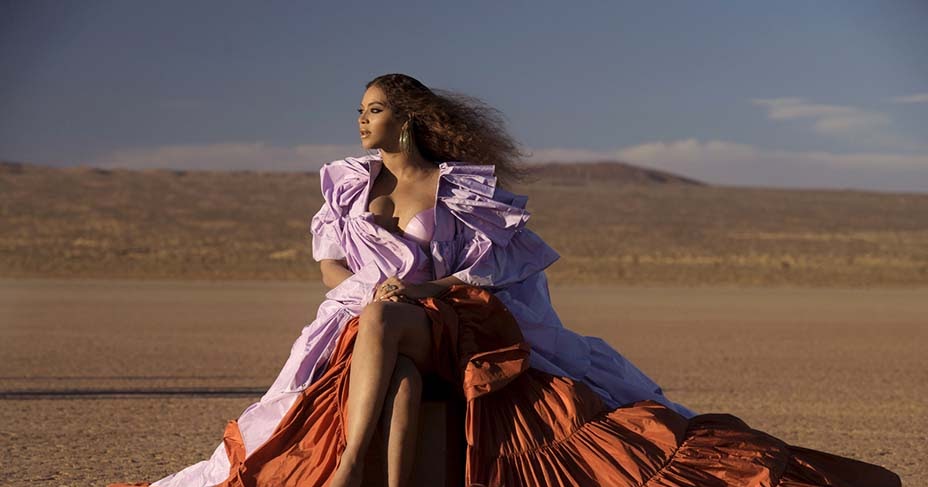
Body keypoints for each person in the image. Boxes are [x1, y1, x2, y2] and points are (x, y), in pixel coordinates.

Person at [111, 73, 900, 487]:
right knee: (389, 360)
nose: (361, 120)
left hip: (453, 316)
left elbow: (485, 271)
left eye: (375, 109)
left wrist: (417, 290)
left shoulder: (457, 190)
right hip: (369, 315)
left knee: (386, 326)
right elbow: (329, 263)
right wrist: (368, 284)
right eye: (359, 110)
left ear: (407, 117)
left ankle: (347, 474)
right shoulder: (349, 187)